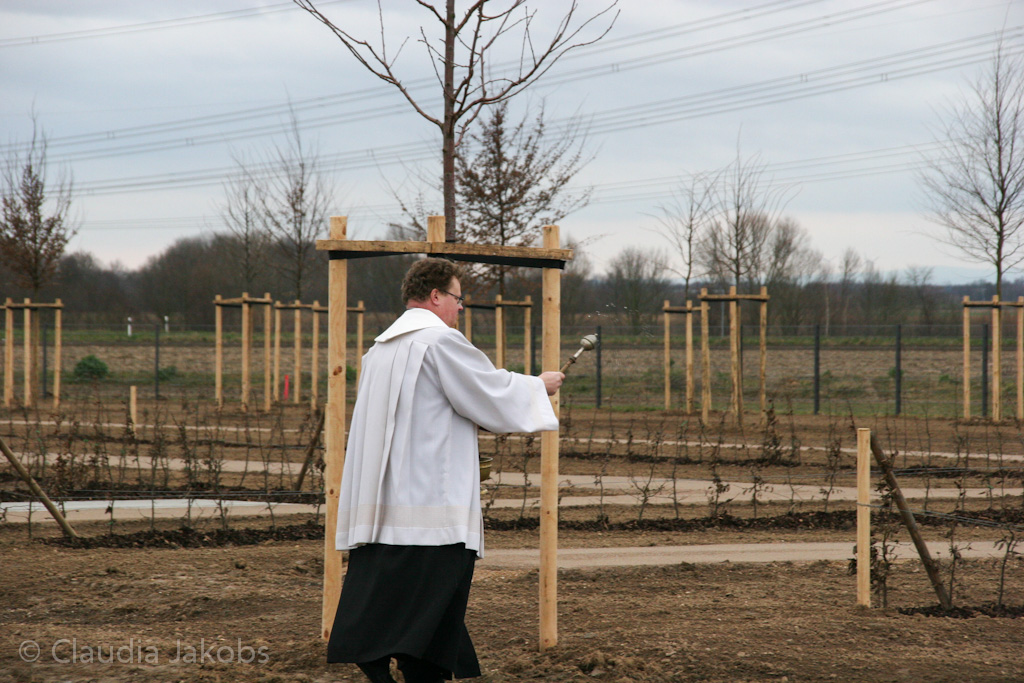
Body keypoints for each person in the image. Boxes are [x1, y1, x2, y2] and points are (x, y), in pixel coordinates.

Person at [327, 257, 563, 683]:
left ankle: (393, 662)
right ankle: (391, 661)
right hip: (431, 515)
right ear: (435, 296)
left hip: (384, 511)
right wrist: (536, 386)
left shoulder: (380, 349)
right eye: (457, 299)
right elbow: (488, 392)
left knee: (397, 605)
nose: (459, 309)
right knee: (430, 610)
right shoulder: (440, 342)